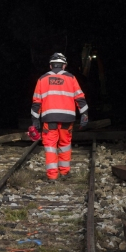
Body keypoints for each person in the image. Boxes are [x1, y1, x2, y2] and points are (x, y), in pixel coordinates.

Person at [31, 52, 88, 181]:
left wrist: (35, 121)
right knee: (65, 144)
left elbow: (36, 103)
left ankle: (52, 176)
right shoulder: (71, 78)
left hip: (49, 118)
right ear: (64, 66)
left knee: (50, 146)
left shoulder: (42, 79)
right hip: (67, 119)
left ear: (51, 66)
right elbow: (80, 99)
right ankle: (65, 172)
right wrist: (84, 115)